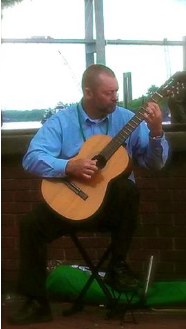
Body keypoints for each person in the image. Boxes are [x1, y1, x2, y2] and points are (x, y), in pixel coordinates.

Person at [8, 64, 169, 325]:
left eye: (116, 91)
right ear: (88, 92)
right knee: (31, 225)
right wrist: (67, 166)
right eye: (108, 93)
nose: (115, 97)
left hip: (111, 211)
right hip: (71, 205)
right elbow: (31, 159)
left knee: (127, 188)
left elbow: (155, 164)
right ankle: (36, 302)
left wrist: (156, 132)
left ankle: (117, 266)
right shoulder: (62, 121)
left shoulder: (128, 119)